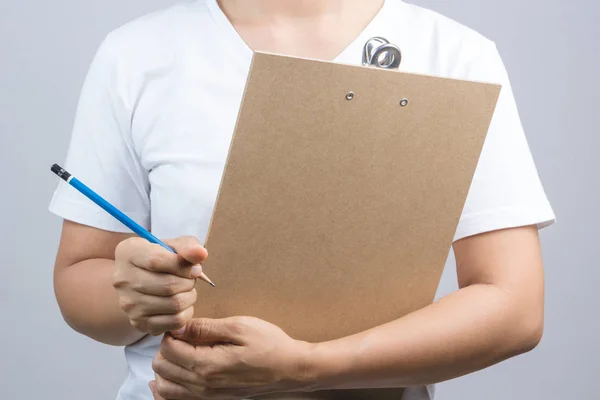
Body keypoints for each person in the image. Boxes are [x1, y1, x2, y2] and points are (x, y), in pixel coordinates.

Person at [49, 0, 556, 399]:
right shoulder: (137, 54)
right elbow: (79, 280)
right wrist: (139, 294)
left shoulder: (453, 55)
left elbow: (513, 306)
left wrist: (307, 367)